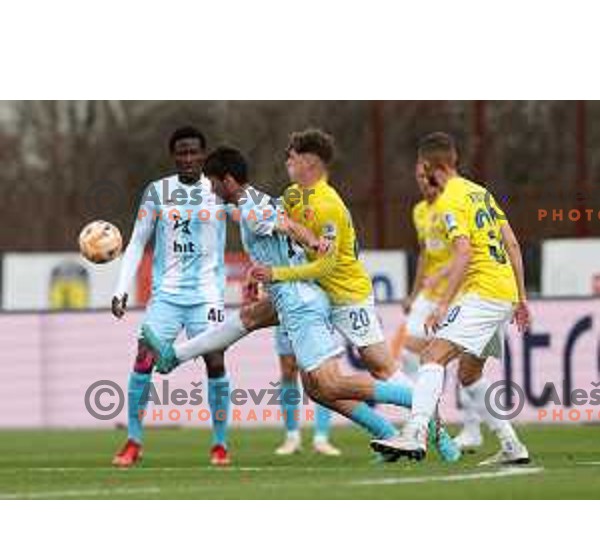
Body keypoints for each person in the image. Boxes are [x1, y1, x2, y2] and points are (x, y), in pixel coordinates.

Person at [142, 146, 418, 453]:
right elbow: (260, 218)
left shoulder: (253, 209)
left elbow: (286, 225)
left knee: (329, 385)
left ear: (228, 180)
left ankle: (417, 401)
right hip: (292, 297)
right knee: (252, 324)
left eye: (212, 181)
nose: (210, 187)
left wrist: (312, 241)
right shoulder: (252, 200)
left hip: (299, 302)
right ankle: (174, 356)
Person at [250, 129, 460, 461]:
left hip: (348, 297)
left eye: (291, 156)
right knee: (316, 388)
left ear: (309, 162)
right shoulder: (292, 195)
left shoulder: (328, 203)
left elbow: (324, 265)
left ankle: (436, 431)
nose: (286, 161)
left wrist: (276, 274)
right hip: (312, 297)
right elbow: (282, 231)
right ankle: (386, 433)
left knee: (380, 365)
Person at [372, 132, 531, 466]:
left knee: (432, 354)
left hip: (483, 291)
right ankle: (511, 445)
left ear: (433, 167)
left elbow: (463, 250)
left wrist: (443, 303)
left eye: (423, 169)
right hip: (502, 291)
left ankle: (414, 433)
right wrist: (521, 297)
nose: (422, 176)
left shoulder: (448, 200)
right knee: (469, 375)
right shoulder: (481, 193)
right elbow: (513, 244)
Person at [111, 127, 231, 468]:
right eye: (182, 152)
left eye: (194, 152)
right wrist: (121, 288)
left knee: (216, 361)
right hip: (166, 296)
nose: (188, 158)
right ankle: (133, 441)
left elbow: (251, 222)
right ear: (173, 156)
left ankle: (220, 444)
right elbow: (137, 242)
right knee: (144, 358)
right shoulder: (158, 192)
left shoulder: (219, 189)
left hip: (208, 295)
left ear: (204, 155)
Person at [402, 162, 482, 450]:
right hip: (428, 294)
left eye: (427, 176)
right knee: (409, 352)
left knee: (463, 361)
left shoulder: (452, 204)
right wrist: (413, 292)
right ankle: (425, 417)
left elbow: (464, 250)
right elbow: (425, 253)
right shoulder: (419, 211)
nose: (423, 182)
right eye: (419, 177)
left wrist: (445, 276)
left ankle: (472, 428)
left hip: (456, 291)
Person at [272, 326, 341, 456]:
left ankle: (321, 438)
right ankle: (292, 437)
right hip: (286, 316)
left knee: (321, 373)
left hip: (316, 317)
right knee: (288, 371)